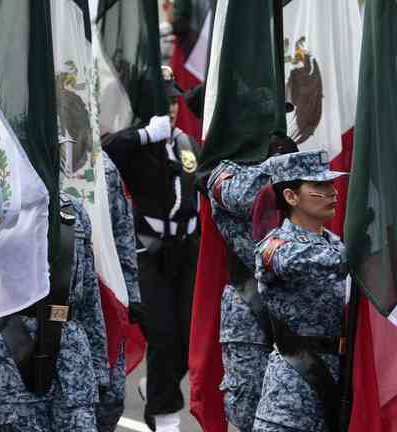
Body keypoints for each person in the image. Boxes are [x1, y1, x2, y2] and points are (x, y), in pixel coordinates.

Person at [102, 65, 200, 432]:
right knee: (161, 332)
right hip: (149, 248)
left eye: (174, 100)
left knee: (191, 335)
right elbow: (105, 150)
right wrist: (145, 135)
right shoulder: (136, 143)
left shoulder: (187, 144)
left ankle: (156, 387)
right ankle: (165, 414)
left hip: (187, 248)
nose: (172, 107)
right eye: (164, 101)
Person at [0, 195, 109, 431]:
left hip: (71, 358)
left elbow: (89, 294)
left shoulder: (74, 210)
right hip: (12, 354)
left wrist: (100, 368)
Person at [252, 150, 349, 432]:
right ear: (291, 197)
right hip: (292, 392)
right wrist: (363, 252)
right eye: (319, 187)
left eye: (331, 184)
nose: (332, 192)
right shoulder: (275, 246)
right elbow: (303, 261)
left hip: (337, 381)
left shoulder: (336, 243)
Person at [207, 133, 298, 431]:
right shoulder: (226, 171)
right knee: (248, 407)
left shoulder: (301, 162)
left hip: (300, 308)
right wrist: (277, 163)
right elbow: (248, 197)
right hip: (248, 308)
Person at [95, 151, 144, 432]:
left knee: (110, 399)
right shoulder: (24, 155)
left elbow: (122, 231)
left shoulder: (103, 166)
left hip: (101, 297)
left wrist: (132, 294)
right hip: (40, 303)